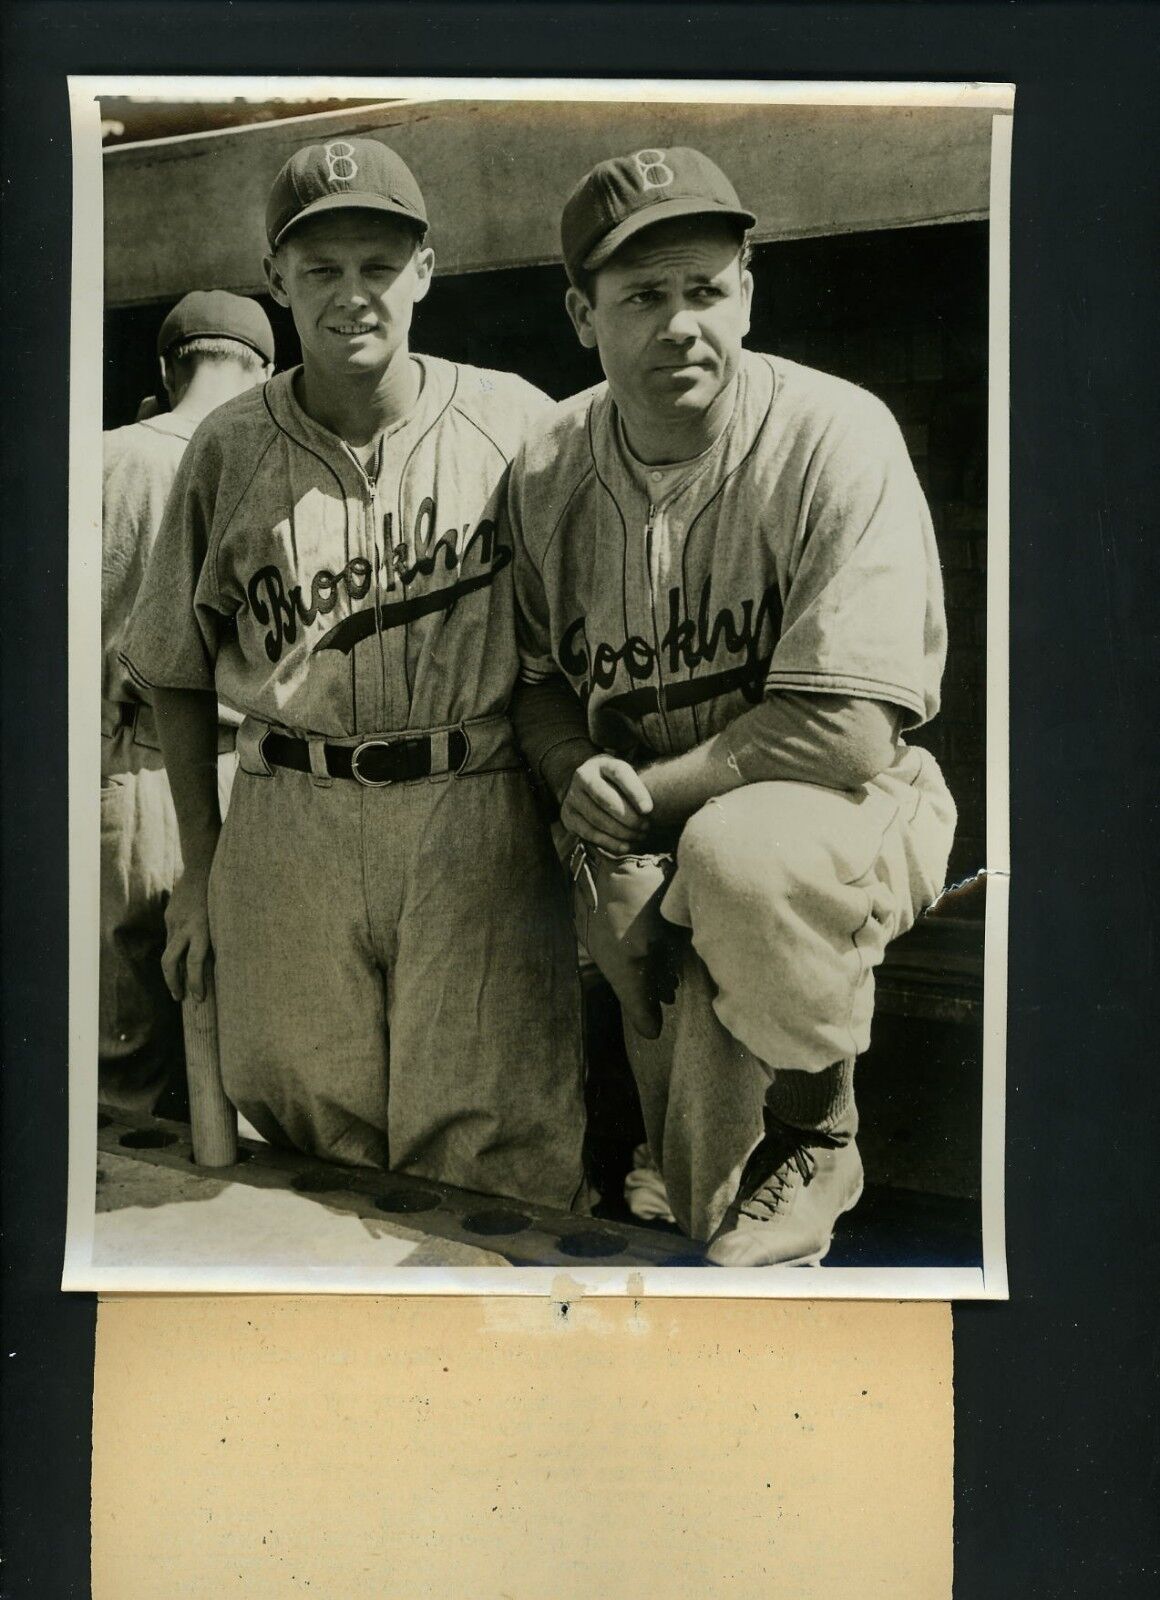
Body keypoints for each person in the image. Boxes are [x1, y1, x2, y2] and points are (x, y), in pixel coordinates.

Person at [509, 146, 957, 1265]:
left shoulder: (832, 433)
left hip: (843, 811)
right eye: (641, 297)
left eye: (704, 290)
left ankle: (819, 1128)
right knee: (709, 1197)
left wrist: (633, 814)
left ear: (746, 291)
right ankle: (712, 1230)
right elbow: (533, 684)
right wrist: (575, 783)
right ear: (581, 312)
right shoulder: (546, 468)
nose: (679, 326)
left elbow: (845, 727)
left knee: (736, 856)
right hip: (658, 835)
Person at [121, 139, 587, 1209]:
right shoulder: (227, 448)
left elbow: (580, 634)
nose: (351, 295)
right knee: (304, 1141)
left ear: (424, 270)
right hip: (291, 810)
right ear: (275, 281)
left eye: (378, 264)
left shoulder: (518, 421)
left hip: (473, 807)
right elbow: (176, 670)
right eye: (320, 269)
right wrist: (201, 868)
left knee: (488, 1143)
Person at [100, 291, 274, 1114]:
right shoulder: (269, 457)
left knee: (124, 1056)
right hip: (255, 775)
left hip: (130, 769)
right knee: (249, 1045)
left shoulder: (101, 456)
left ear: (167, 368)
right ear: (265, 371)